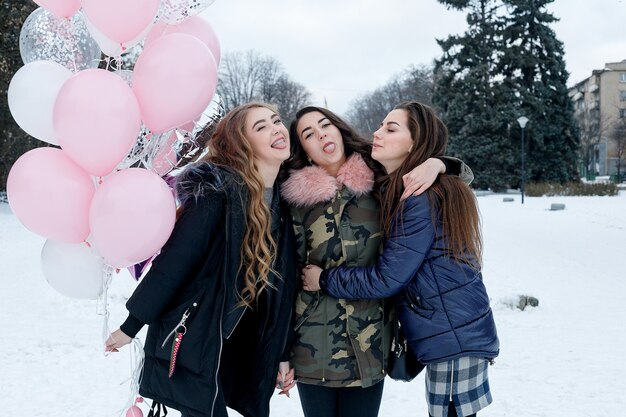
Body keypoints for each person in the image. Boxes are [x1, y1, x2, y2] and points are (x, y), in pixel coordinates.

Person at [301, 101, 499, 417]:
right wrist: (440, 163)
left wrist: (323, 278)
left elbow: (387, 278)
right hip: (454, 331)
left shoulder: (419, 197)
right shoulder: (411, 184)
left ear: (414, 143)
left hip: (453, 335)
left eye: (391, 128)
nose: (377, 133)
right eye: (380, 125)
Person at [105, 102, 297, 417]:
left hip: (241, 347)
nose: (277, 128)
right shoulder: (217, 193)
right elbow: (175, 263)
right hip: (198, 338)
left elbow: (283, 289)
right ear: (243, 144)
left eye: (276, 121)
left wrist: (281, 352)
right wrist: (131, 325)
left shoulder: (281, 201)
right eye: (261, 127)